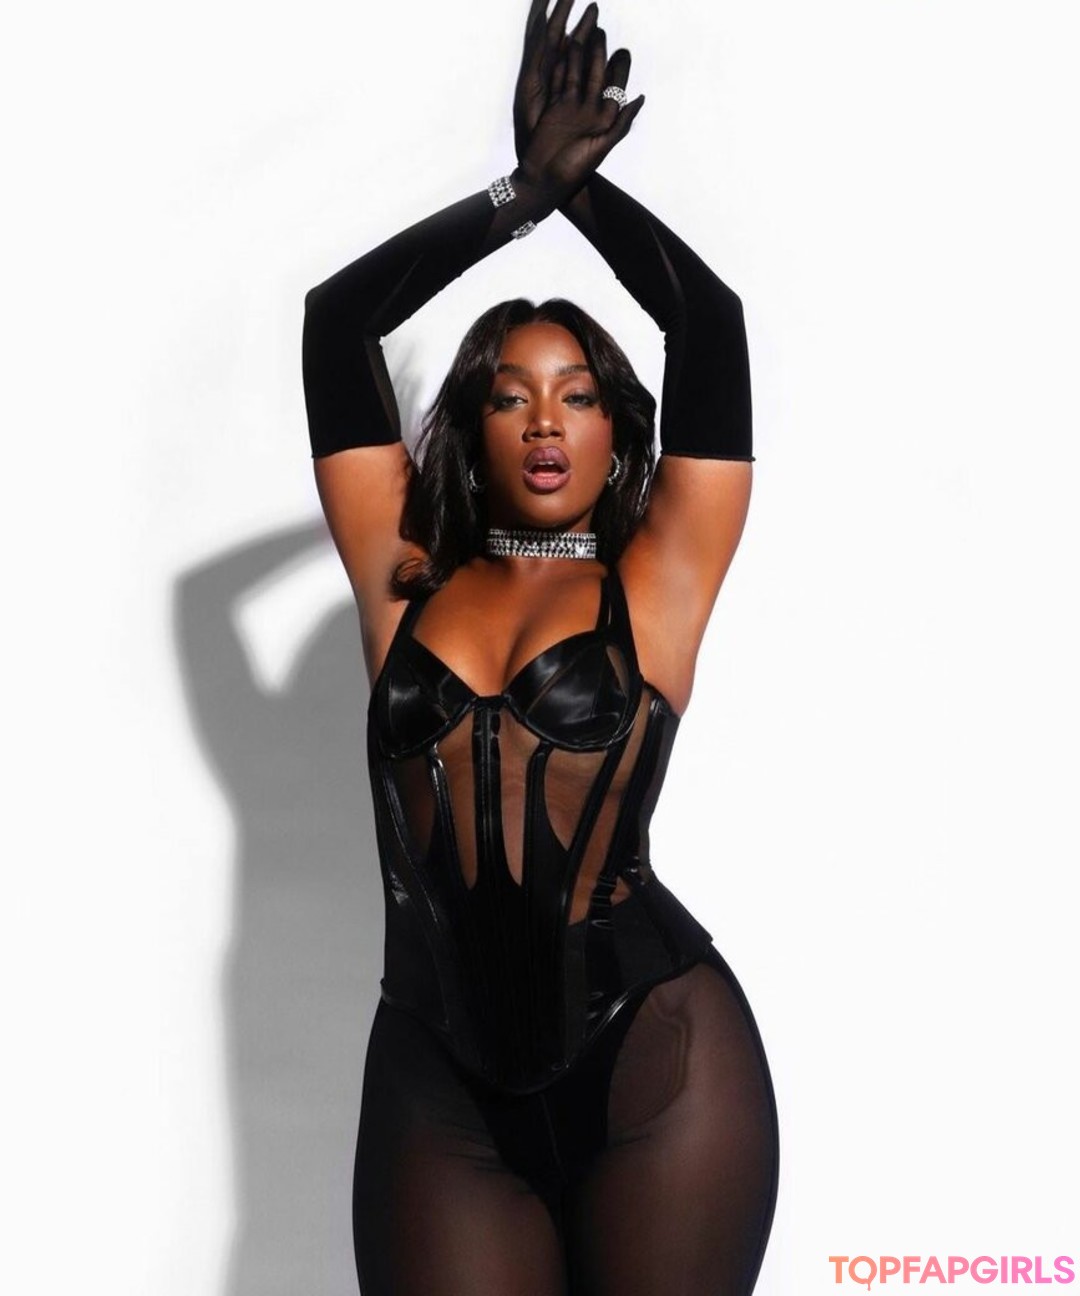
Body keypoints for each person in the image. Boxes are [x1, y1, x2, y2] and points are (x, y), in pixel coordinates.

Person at [301, 1, 779, 1291]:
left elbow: (712, 323)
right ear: (473, 425)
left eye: (577, 395)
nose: (546, 421)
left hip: (659, 1064)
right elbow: (337, 319)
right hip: (436, 1082)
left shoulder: (659, 578)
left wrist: (585, 191)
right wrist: (520, 197)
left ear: (618, 434)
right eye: (510, 396)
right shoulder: (401, 569)